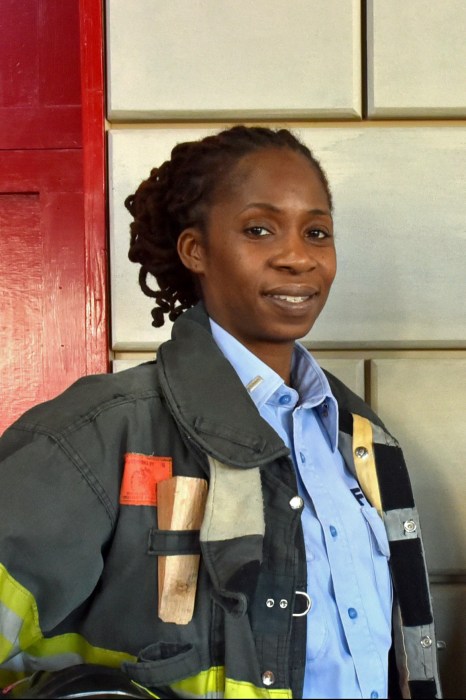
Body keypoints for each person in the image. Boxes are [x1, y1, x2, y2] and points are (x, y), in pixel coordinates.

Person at [0, 126, 442, 699]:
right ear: (195, 250)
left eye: (317, 232)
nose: (296, 258)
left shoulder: (361, 439)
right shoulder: (98, 433)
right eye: (259, 230)